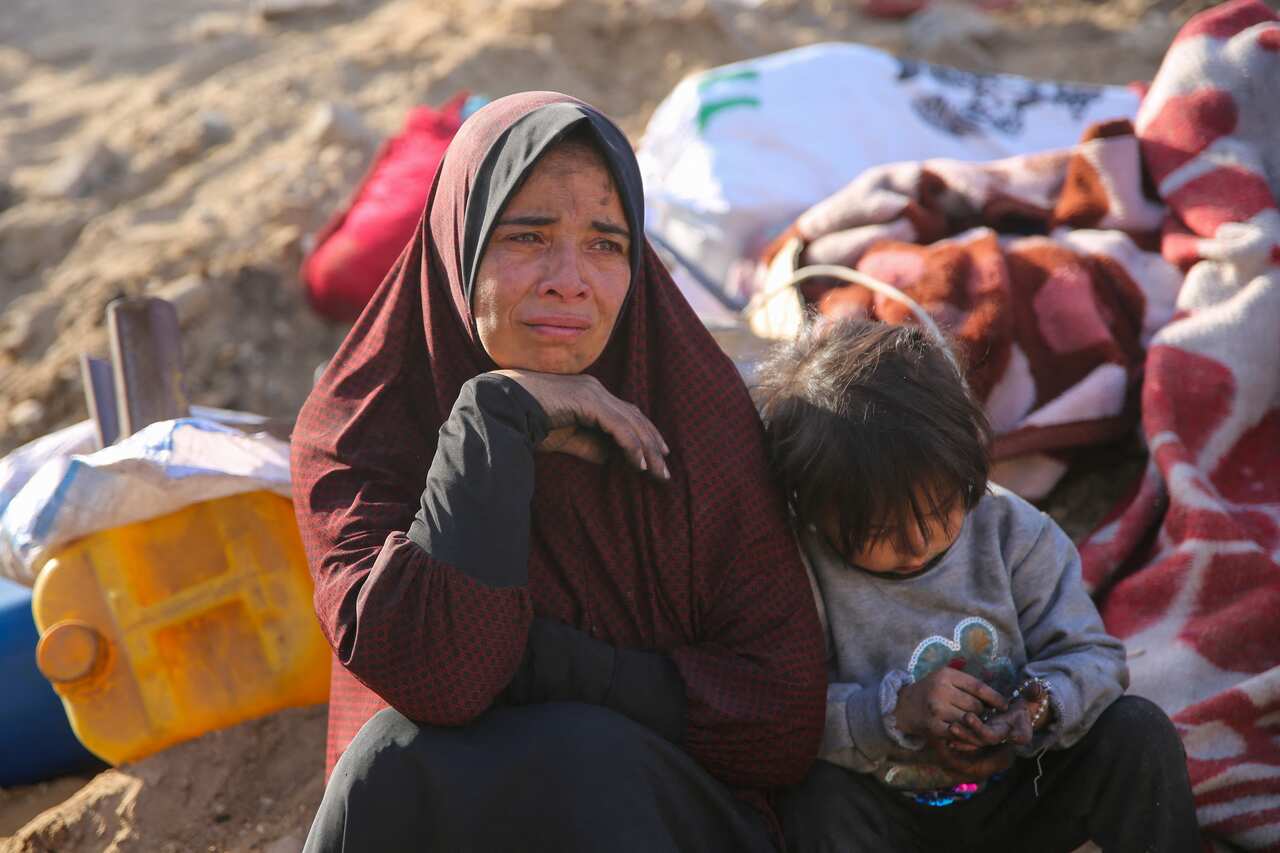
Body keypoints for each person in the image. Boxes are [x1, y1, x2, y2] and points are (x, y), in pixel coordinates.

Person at [289, 91, 827, 852]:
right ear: (459, 243)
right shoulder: (359, 428)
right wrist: (495, 418)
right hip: (437, 813)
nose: (569, 279)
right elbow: (439, 676)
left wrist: (539, 663)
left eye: (606, 243)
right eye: (529, 236)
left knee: (582, 758)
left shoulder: (693, 416)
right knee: (389, 762)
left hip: (658, 815)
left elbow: (778, 718)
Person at [754, 318, 1199, 852]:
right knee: (817, 800)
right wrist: (895, 712)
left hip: (1016, 796)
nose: (918, 542)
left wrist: (1036, 708)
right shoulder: (801, 570)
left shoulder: (1015, 534)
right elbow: (783, 713)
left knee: (1138, 732)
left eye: (941, 509)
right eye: (879, 532)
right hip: (888, 814)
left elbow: (1095, 659)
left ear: (966, 467)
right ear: (815, 513)